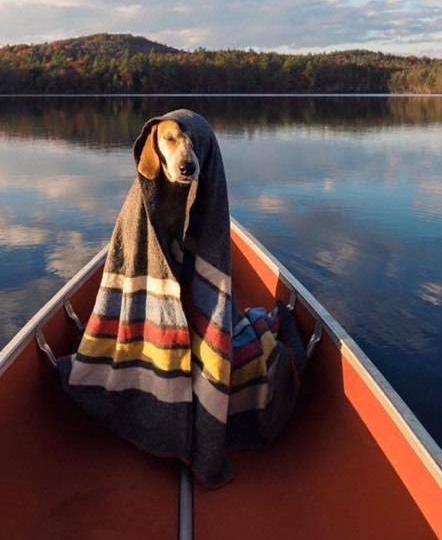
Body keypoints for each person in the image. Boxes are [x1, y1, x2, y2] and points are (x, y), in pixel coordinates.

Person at [57, 109, 306, 487]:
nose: (184, 156)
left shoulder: (206, 203)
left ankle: (198, 399)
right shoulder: (138, 207)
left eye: (192, 146)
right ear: (154, 148)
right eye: (171, 141)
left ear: (206, 152)